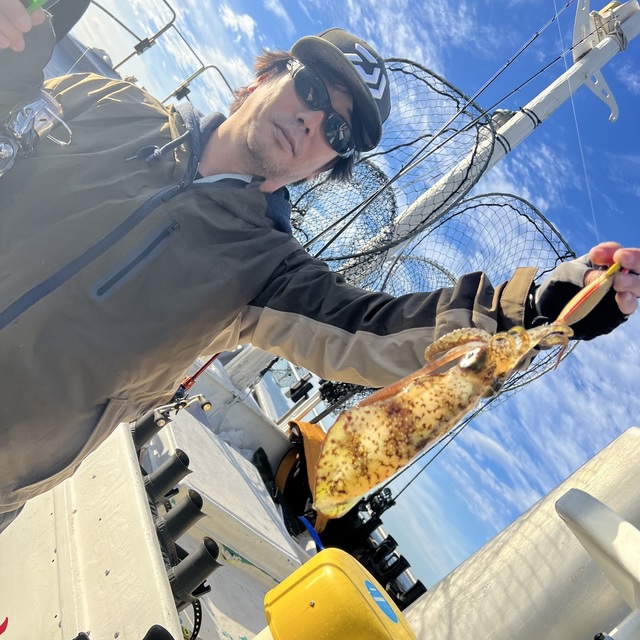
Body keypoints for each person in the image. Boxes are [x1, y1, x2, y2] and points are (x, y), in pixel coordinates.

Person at [0, 1, 638, 534]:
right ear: (267, 75)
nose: (312, 121)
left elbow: (374, 328)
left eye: (337, 131)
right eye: (309, 89)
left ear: (326, 166)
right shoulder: (108, 102)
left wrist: (541, 305)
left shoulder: (266, 273)